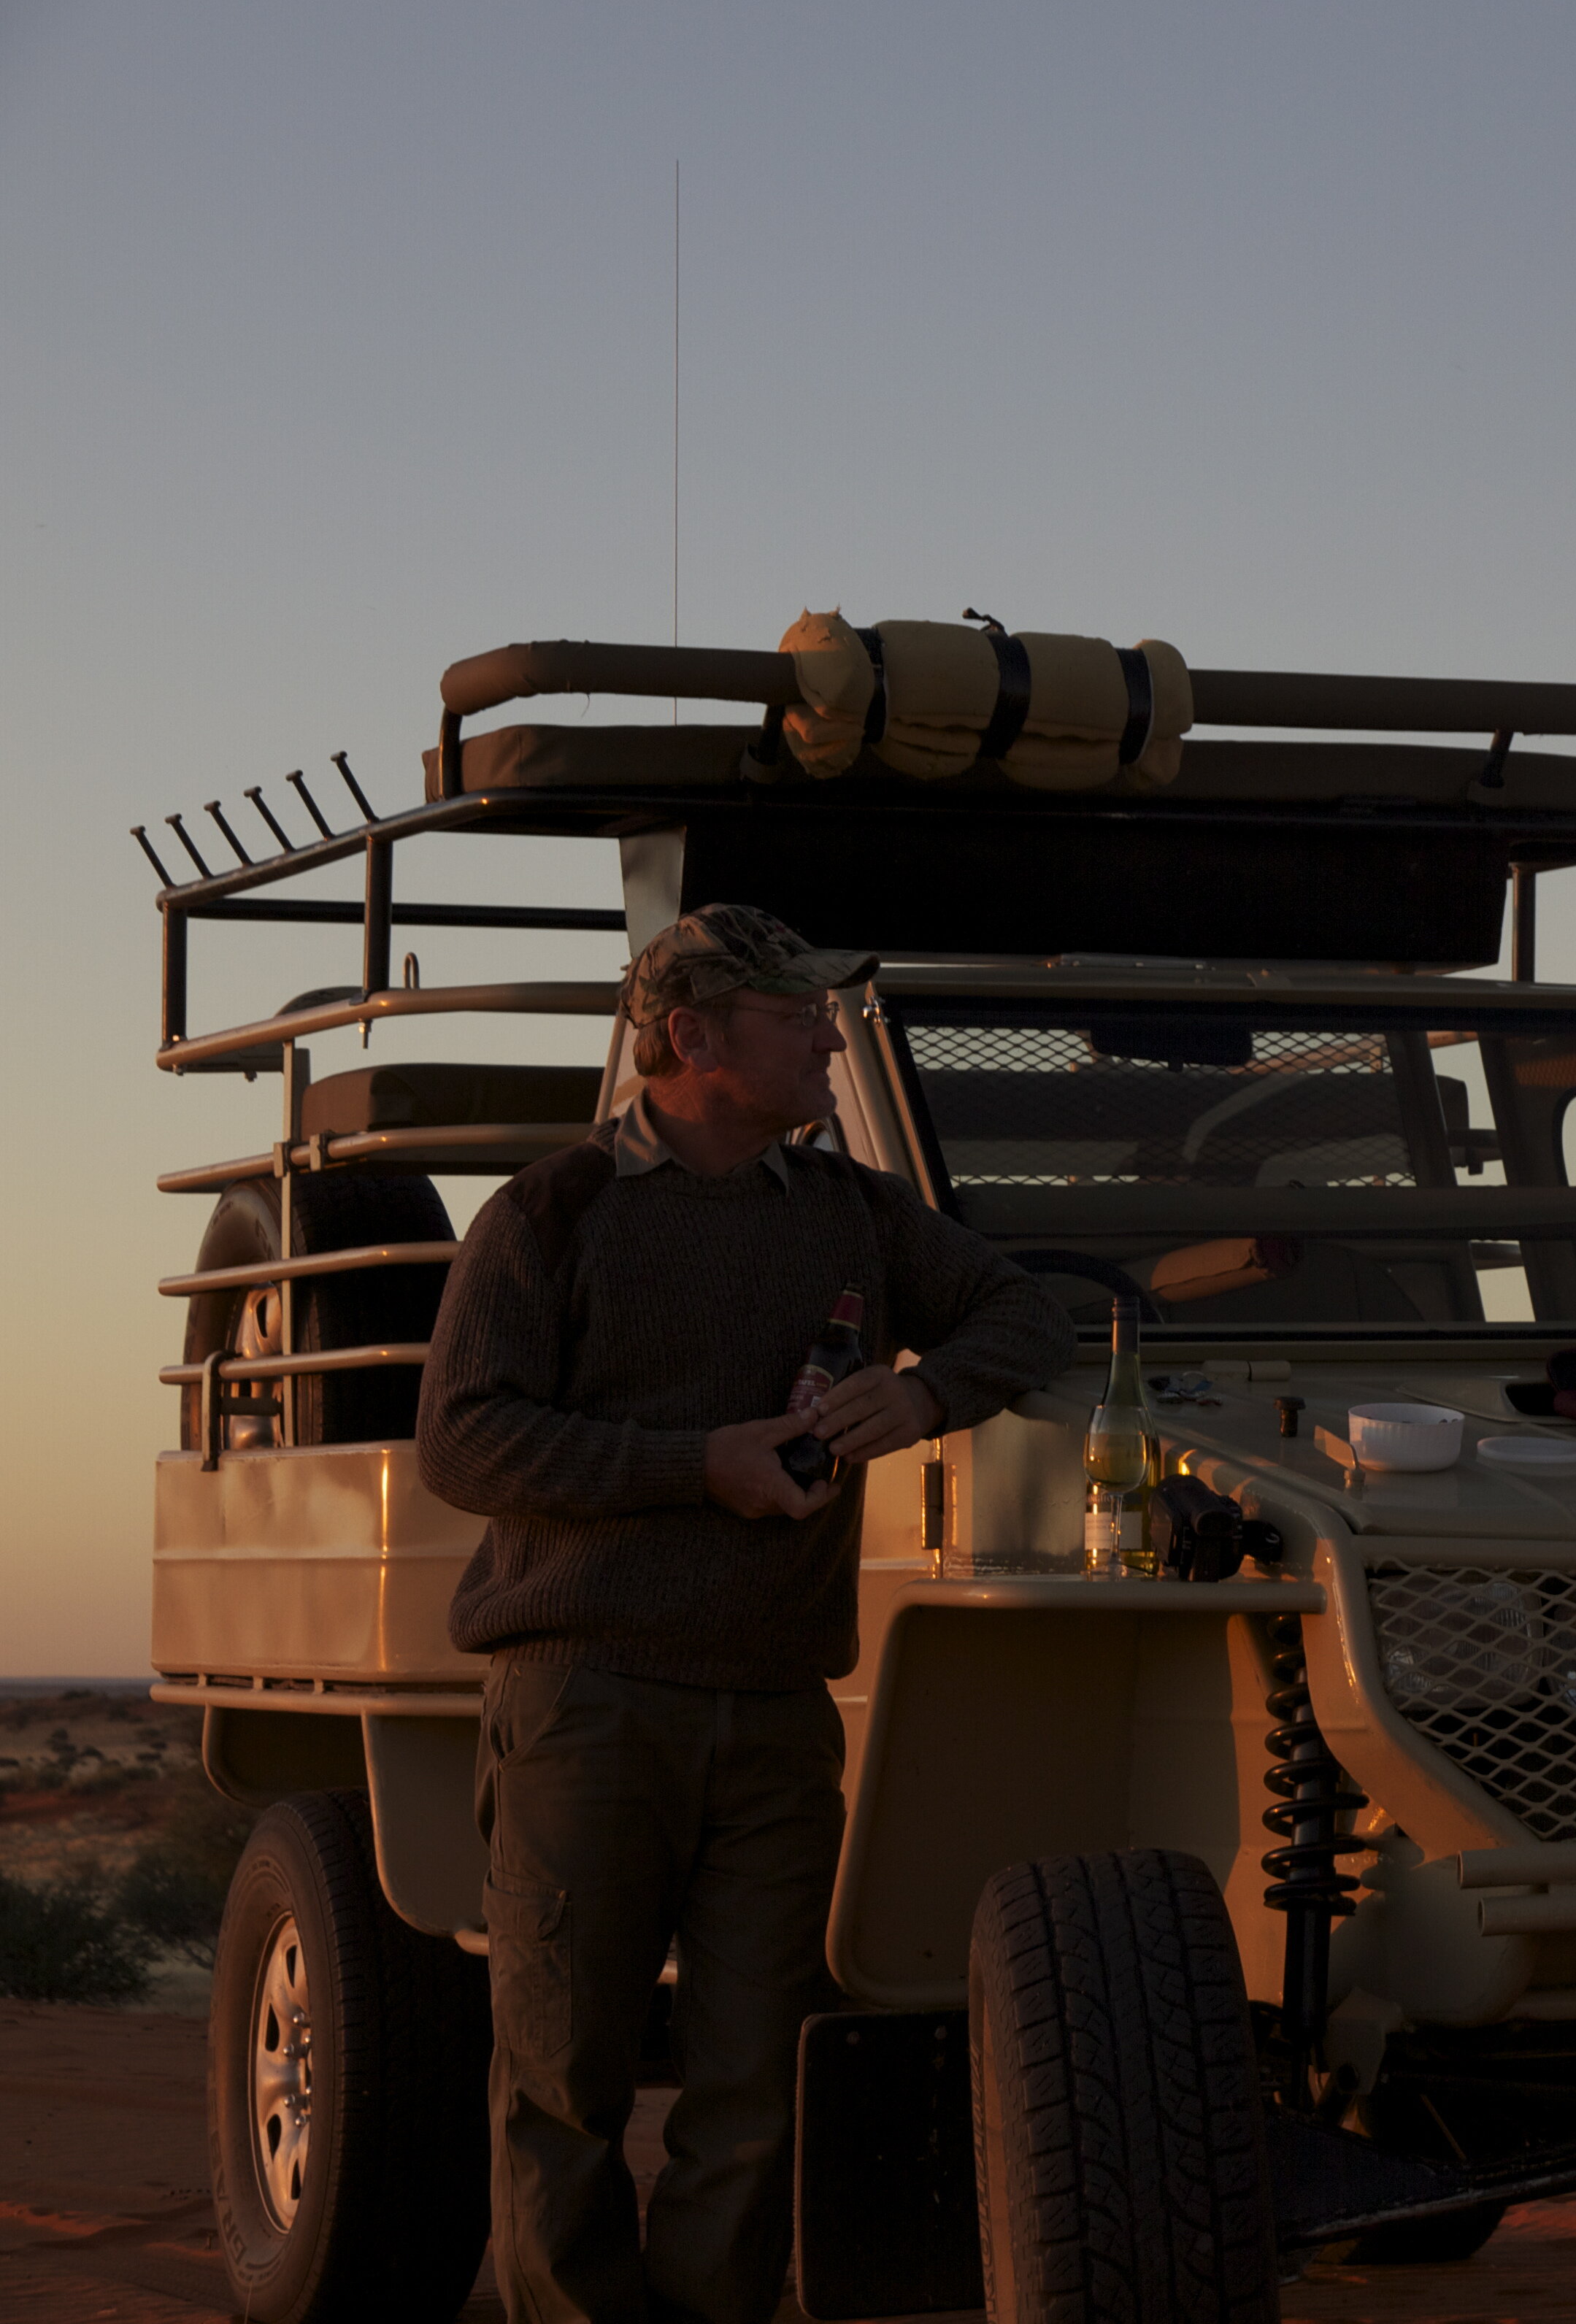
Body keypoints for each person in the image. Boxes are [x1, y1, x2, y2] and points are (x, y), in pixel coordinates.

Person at [417, 905, 1072, 2324]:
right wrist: (691, 1465)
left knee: (752, 2090)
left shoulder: (848, 1211)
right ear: (692, 1037)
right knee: (561, 2086)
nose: (830, 1036)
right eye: (798, 1018)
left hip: (779, 1711)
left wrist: (920, 1394)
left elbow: (1024, 1316)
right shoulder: (551, 1212)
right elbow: (463, 1443)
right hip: (586, 1703)